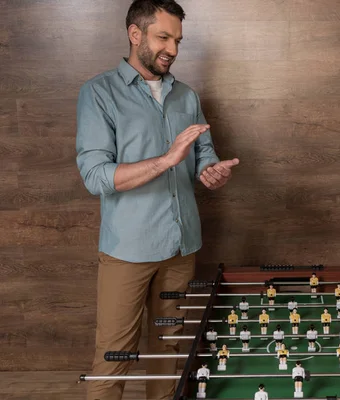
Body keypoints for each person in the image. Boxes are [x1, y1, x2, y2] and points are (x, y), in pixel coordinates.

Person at [75, 1, 240, 399]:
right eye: (163, 37)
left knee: (169, 350)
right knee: (114, 355)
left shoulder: (186, 96)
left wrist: (212, 172)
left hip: (181, 247)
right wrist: (166, 160)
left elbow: (203, 154)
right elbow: (96, 176)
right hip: (128, 250)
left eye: (178, 40)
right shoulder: (98, 93)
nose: (174, 49)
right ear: (136, 34)